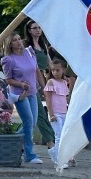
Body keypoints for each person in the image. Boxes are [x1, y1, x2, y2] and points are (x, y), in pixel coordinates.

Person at [0, 33, 44, 166]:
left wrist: (44, 86)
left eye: (19, 39)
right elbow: (8, 79)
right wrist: (20, 84)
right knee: (28, 121)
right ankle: (29, 155)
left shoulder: (29, 52)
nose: (18, 42)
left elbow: (36, 70)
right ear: (10, 44)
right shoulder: (8, 60)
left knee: (32, 122)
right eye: (14, 40)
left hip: (32, 92)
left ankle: (11, 141)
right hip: (20, 94)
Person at [25, 20, 55, 152]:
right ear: (29, 30)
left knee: (31, 116)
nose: (38, 30)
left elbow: (50, 64)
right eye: (34, 28)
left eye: (39, 28)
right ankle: (51, 142)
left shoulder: (43, 45)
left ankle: (19, 141)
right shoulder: (27, 46)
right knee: (39, 115)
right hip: (33, 82)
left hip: (45, 79)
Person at [42, 58, 70, 165]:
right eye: (53, 70)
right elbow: (48, 99)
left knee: (63, 135)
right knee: (58, 135)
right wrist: (51, 114)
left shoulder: (64, 82)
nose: (55, 72)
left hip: (64, 113)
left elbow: (64, 98)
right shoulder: (51, 82)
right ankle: (59, 160)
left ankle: (55, 152)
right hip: (55, 113)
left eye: (57, 70)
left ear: (63, 70)